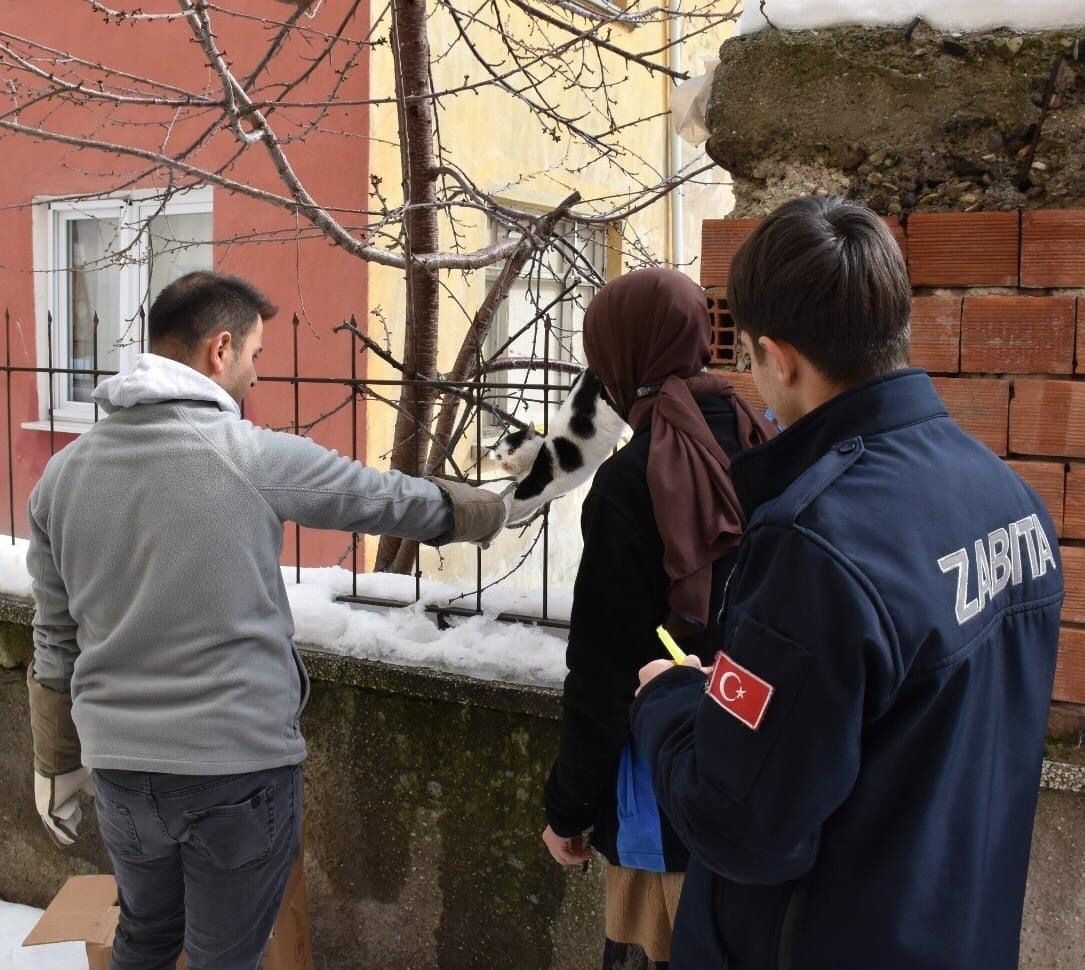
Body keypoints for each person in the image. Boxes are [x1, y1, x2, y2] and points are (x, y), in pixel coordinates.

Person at [26, 271, 511, 970]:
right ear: (218, 349)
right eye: (253, 354)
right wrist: (494, 508)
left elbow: (55, 635)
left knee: (144, 940)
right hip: (235, 771)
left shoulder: (63, 478)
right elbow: (383, 499)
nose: (255, 375)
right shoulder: (247, 454)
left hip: (123, 772)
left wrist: (56, 762)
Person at [631, 197, 1064, 970]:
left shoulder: (818, 547)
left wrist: (668, 701)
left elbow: (741, 823)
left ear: (779, 357)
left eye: (751, 359)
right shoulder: (1009, 501)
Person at [540, 268, 775, 968]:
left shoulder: (628, 481)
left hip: (669, 792)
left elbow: (603, 671)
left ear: (617, 356)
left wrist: (567, 810)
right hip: (767, 782)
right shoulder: (764, 440)